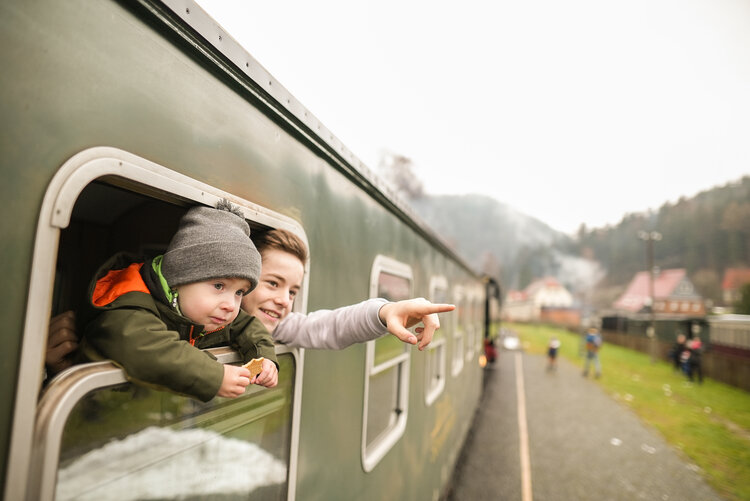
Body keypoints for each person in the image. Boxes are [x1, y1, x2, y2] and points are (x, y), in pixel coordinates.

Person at [46, 229, 454, 383]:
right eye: (272, 284)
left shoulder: (269, 326)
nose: (283, 300)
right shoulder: (155, 315)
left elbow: (326, 327)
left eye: (293, 290)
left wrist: (384, 313)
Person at [79, 200, 278, 402]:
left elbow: (248, 325)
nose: (231, 305)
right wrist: (215, 375)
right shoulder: (130, 306)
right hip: (90, 410)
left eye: (239, 292)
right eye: (219, 286)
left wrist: (263, 357)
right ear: (179, 278)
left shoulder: (210, 310)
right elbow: (148, 349)